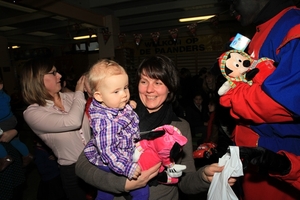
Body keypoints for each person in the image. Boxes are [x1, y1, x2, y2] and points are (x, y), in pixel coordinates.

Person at [76, 54, 236, 200]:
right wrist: (122, 184)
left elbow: (184, 179)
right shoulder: (118, 116)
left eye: (158, 83)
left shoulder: (179, 126)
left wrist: (204, 176)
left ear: (170, 88)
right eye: (144, 81)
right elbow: (82, 166)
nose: (149, 89)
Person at [219, 0, 300, 199]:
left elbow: (283, 100)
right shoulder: (259, 31)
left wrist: (232, 97)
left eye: (232, 1)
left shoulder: (293, 26)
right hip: (256, 162)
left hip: (281, 164)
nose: (230, 9)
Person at [20, 57, 91, 200]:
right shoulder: (33, 113)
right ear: (37, 79)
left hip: (95, 160)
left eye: (57, 72)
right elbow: (73, 121)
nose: (59, 76)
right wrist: (78, 92)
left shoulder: (70, 97)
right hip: (73, 170)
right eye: (53, 73)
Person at [83, 59, 148, 200]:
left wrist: (127, 104)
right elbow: (109, 152)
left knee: (106, 192)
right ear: (99, 96)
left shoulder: (111, 104)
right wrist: (127, 167)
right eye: (116, 91)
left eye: (125, 88)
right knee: (142, 191)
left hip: (120, 153)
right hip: (112, 160)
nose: (124, 94)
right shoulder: (105, 123)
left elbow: (116, 109)